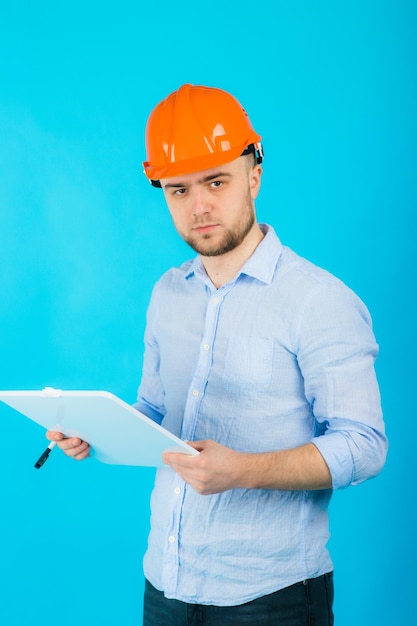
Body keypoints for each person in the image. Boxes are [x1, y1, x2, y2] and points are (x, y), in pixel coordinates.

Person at [47, 83, 388, 625]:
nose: (199, 205)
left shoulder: (320, 301)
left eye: (216, 181)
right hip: (165, 585)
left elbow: (365, 446)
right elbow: (155, 411)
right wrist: (99, 431)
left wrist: (244, 470)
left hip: (271, 600)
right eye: (178, 190)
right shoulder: (167, 293)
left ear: (254, 175)